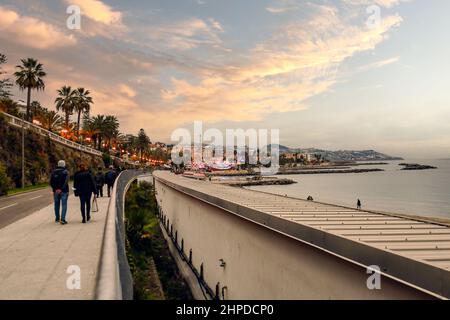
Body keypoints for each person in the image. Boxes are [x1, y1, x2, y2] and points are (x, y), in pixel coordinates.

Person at [50, 160, 69, 225]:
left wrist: (55, 189)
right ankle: (63, 219)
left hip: (55, 191)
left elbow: (51, 182)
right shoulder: (65, 172)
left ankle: (57, 218)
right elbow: (66, 182)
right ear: (64, 164)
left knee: (56, 204)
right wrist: (61, 189)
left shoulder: (53, 172)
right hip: (64, 191)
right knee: (64, 205)